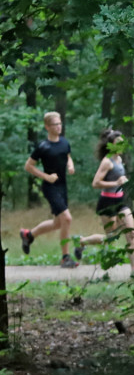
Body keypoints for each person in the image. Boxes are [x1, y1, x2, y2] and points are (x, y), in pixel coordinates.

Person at [73, 129, 134, 273]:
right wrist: (116, 182)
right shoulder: (107, 162)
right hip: (107, 203)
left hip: (120, 201)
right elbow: (96, 183)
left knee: (131, 233)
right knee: (110, 238)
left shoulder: (119, 159)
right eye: (118, 144)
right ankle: (82, 241)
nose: (122, 147)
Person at [20, 112, 79, 268]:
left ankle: (28, 235)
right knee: (67, 219)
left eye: (60, 123)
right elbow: (28, 166)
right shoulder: (42, 146)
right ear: (47, 127)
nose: (59, 126)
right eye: (55, 124)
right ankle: (65, 257)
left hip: (62, 186)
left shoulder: (65, 142)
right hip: (50, 187)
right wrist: (46, 177)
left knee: (58, 224)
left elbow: (67, 155)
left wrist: (70, 164)